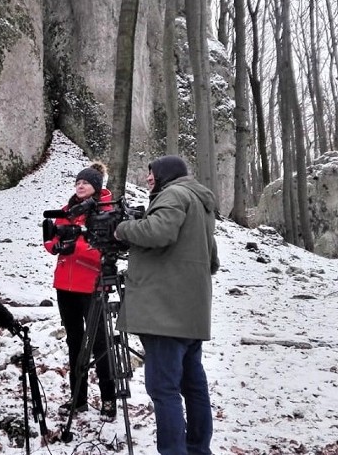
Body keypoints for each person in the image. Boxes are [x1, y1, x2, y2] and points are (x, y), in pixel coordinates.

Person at [114, 155, 219, 455]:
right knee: (193, 386)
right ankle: (199, 449)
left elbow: (158, 232)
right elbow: (212, 260)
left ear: (166, 174)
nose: (148, 178)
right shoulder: (199, 202)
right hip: (191, 314)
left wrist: (122, 230)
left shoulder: (173, 193)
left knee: (164, 389)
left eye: (151, 173)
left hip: (165, 313)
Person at [43, 162, 117, 419]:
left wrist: (76, 247)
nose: (80, 185)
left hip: (92, 285)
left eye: (85, 182)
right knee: (74, 341)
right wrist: (54, 245)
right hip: (65, 285)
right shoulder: (68, 210)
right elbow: (53, 237)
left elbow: (107, 251)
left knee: (99, 342)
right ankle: (78, 398)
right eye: (78, 182)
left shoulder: (106, 212)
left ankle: (109, 399)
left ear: (96, 186)